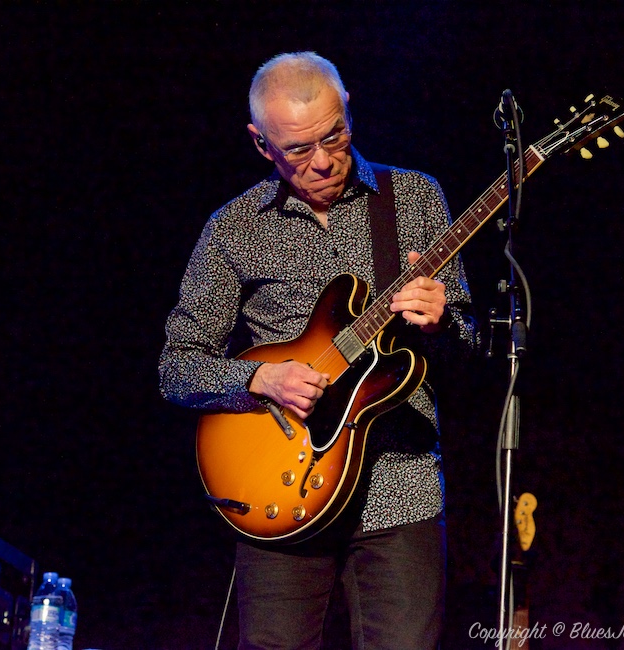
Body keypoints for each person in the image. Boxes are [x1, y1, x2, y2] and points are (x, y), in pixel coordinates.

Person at [159, 51, 477, 649]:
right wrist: (261, 381)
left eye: (334, 135)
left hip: (397, 489)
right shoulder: (233, 228)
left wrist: (442, 324)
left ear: (348, 108)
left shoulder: (412, 198)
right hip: (278, 491)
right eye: (299, 150)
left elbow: (469, 350)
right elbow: (177, 366)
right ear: (262, 144)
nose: (325, 161)